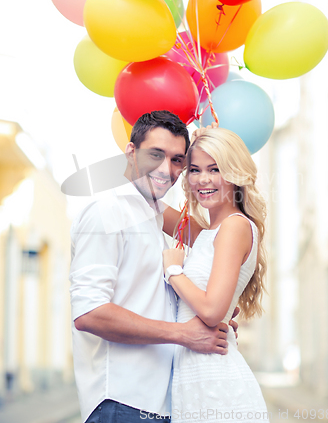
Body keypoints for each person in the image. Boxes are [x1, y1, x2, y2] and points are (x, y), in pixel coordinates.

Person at [69, 111, 235, 423]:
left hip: (158, 403)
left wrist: (209, 150)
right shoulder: (107, 211)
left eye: (177, 160)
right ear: (131, 153)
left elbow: (213, 241)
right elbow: (89, 312)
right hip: (121, 401)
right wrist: (185, 334)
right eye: (155, 155)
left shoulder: (151, 213)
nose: (165, 169)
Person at [162, 126, 269, 423]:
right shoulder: (208, 232)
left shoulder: (234, 226)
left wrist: (174, 271)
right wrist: (186, 141)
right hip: (194, 380)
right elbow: (149, 205)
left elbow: (211, 311)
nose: (203, 179)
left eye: (215, 168)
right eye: (195, 170)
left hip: (217, 384)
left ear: (235, 173)